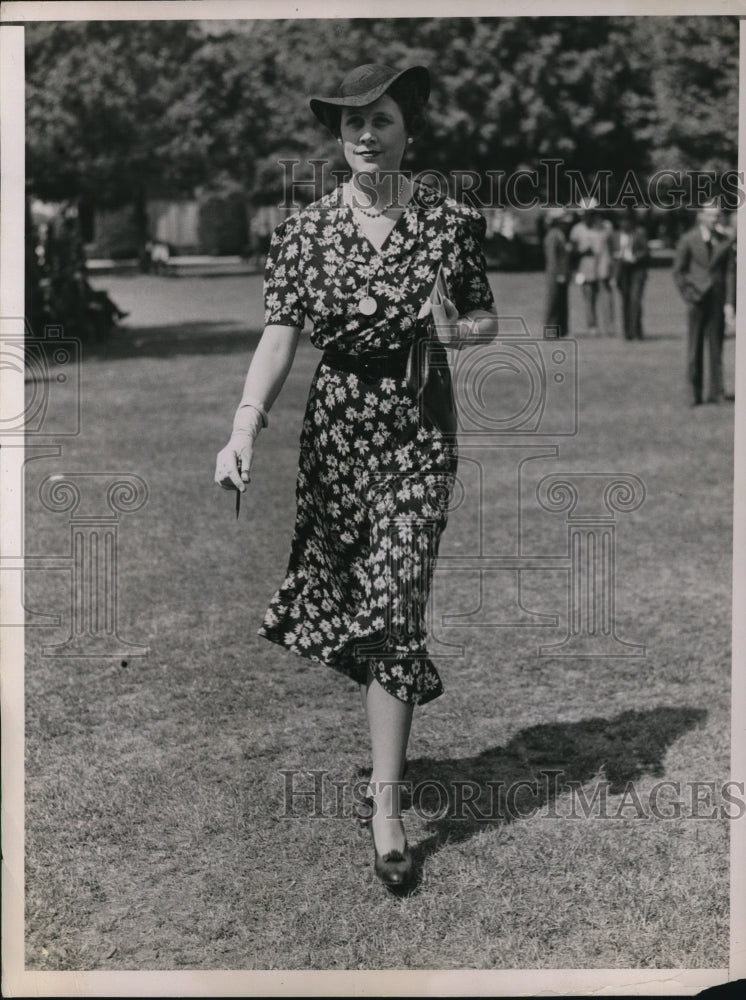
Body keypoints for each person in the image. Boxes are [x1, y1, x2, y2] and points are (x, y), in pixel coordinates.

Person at [214, 63, 498, 891]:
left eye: (380, 120)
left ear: (409, 128)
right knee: (358, 608)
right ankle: (385, 748)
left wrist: (461, 330)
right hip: (336, 434)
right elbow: (279, 338)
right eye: (350, 125)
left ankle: (386, 806)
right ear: (338, 141)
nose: (365, 136)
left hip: (419, 429)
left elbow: (480, 312)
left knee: (397, 602)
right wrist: (242, 428)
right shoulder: (304, 231)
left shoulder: (450, 217)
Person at [672, 200, 735, 405]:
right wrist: (689, 295)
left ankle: (717, 392)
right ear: (701, 216)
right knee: (694, 346)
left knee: (716, 347)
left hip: (717, 298)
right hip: (697, 299)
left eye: (717, 215)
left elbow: (730, 273)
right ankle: (693, 393)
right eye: (709, 215)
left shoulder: (726, 240)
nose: (713, 218)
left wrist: (729, 302)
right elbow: (678, 272)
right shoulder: (688, 239)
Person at [569, 198, 615, 336]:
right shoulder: (577, 230)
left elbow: (612, 248)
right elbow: (573, 252)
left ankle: (609, 327)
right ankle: (592, 327)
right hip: (586, 269)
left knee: (606, 299)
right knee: (589, 299)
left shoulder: (607, 227)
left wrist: (612, 268)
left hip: (603, 268)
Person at [611, 209, 649, 341]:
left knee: (635, 300)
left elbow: (645, 252)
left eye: (627, 221)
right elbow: (611, 252)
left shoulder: (639, 234)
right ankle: (627, 332)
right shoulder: (615, 236)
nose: (624, 224)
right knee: (625, 301)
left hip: (637, 271)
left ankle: (637, 331)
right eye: (622, 222)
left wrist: (635, 257)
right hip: (622, 272)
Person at [543, 207, 574, 338]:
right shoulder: (553, 236)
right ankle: (551, 332)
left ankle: (561, 330)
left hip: (561, 274)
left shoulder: (560, 234)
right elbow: (552, 258)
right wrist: (559, 274)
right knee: (553, 303)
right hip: (555, 275)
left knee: (561, 303)